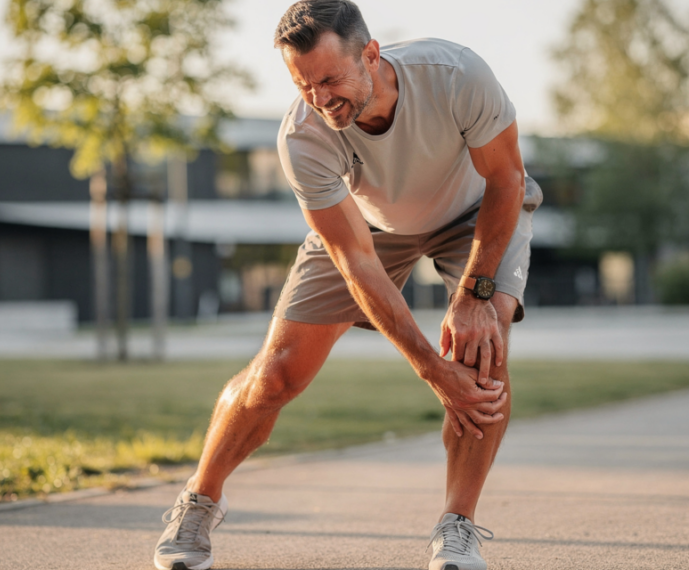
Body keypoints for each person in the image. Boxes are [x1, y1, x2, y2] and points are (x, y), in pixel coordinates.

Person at [153, 1, 541, 569]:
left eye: (330, 78)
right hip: (369, 228)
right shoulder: (303, 136)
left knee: (483, 350)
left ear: (371, 53)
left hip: (475, 213)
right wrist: (430, 369)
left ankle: (456, 527)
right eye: (303, 84)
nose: (319, 97)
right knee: (277, 371)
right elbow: (356, 260)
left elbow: (507, 177)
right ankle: (198, 500)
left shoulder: (457, 76)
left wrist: (476, 296)